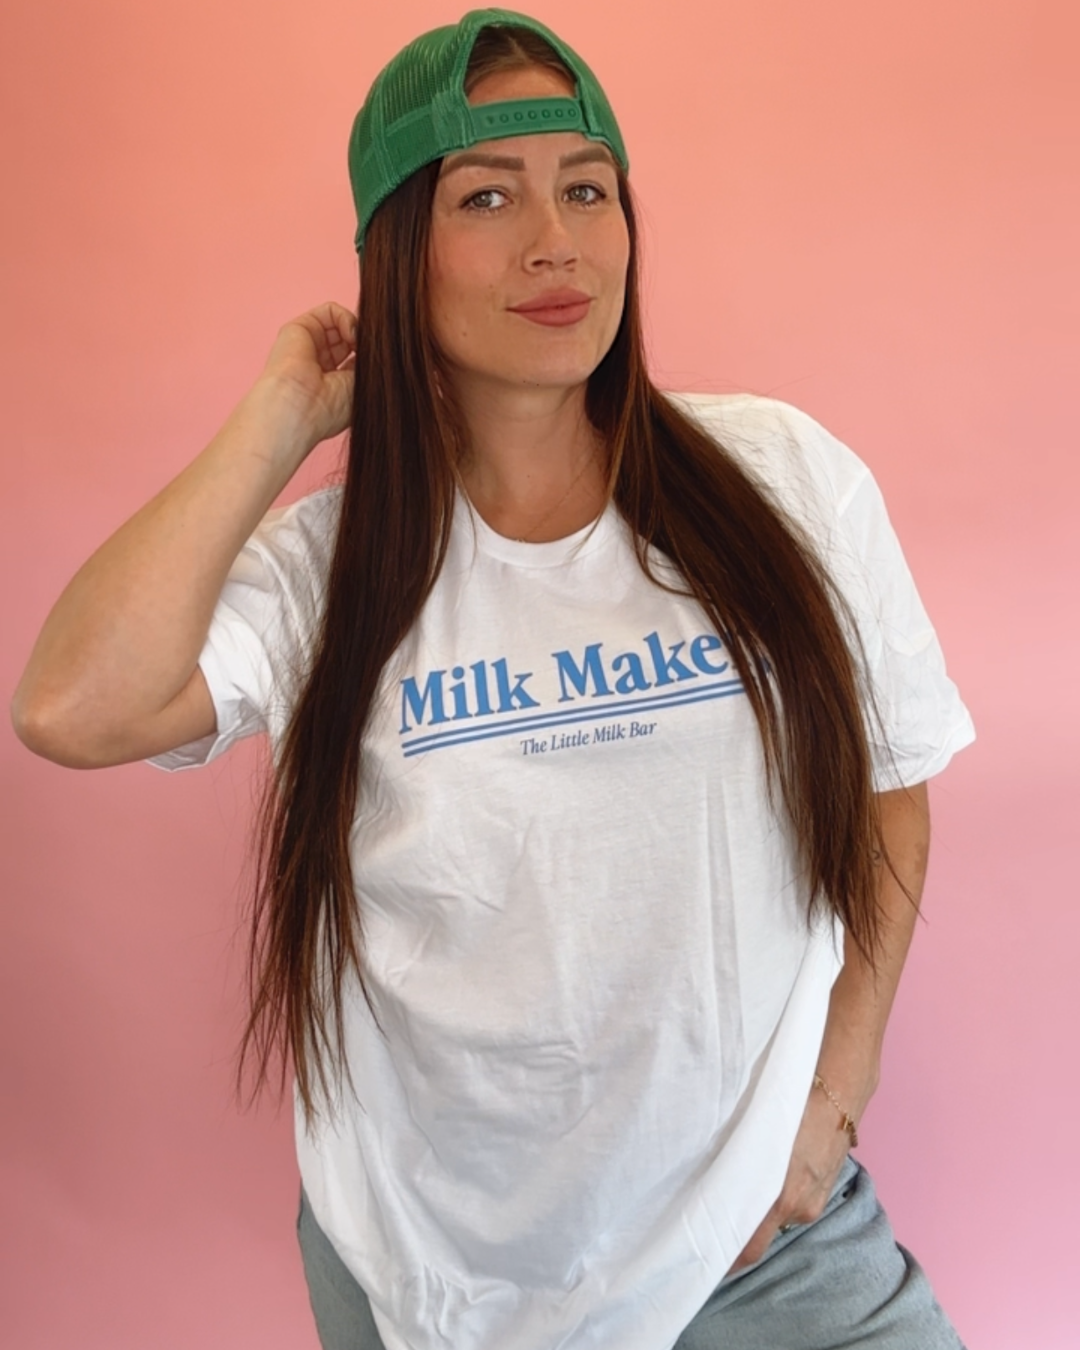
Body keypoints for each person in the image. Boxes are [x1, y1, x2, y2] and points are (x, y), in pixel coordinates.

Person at [12, 9, 976, 1350]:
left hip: (760, 1239)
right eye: (487, 196)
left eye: (588, 188)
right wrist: (280, 419)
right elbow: (72, 705)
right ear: (396, 252)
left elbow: (889, 789)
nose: (554, 241)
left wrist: (833, 1097)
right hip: (438, 1273)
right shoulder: (335, 567)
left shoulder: (784, 479)